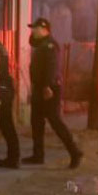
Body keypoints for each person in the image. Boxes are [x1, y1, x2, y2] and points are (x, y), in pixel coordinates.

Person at [22, 17, 83, 169]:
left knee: (55, 121)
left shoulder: (50, 45)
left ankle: (75, 152)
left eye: (35, 29)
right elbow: (32, 42)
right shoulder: (41, 43)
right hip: (39, 88)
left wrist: (47, 87)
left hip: (48, 89)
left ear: (44, 29)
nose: (33, 31)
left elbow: (52, 67)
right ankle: (38, 155)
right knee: (36, 122)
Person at [0, 22, 20, 169]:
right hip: (4, 87)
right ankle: (13, 157)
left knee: (5, 124)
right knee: (4, 124)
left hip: (2, 89)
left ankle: (13, 159)